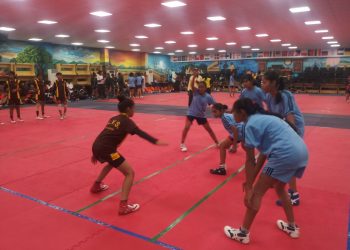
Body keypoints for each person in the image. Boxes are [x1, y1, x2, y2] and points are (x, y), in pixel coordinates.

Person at [224, 98, 308, 244]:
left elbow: (250, 160)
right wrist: (249, 180)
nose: (232, 114)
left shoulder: (249, 125)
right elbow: (262, 155)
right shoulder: (263, 118)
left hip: (284, 154)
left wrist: (250, 187)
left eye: (233, 112)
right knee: (280, 187)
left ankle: (243, 233)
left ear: (242, 113)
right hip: (301, 152)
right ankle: (292, 227)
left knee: (257, 193)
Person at [90, 95, 167, 215]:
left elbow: (105, 134)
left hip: (97, 145)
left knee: (111, 163)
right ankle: (123, 206)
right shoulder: (127, 121)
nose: (134, 110)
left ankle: (96, 186)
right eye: (133, 108)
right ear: (128, 109)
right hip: (107, 149)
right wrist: (155, 141)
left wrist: (96, 152)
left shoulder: (114, 118)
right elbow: (140, 133)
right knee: (129, 173)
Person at [262, 70, 305, 206]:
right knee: (277, 157)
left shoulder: (286, 95)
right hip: (282, 128)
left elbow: (290, 116)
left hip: (294, 128)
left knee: (287, 160)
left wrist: (293, 137)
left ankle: (294, 194)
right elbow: (272, 115)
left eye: (265, 82)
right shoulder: (269, 96)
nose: (262, 84)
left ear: (274, 83)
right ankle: (276, 181)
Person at [180, 80, 219, 152]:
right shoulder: (196, 92)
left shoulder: (208, 96)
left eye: (202, 87)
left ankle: (217, 143)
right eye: (199, 87)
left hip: (201, 115)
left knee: (209, 130)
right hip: (191, 113)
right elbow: (192, 85)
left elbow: (215, 104)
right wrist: (194, 76)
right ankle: (182, 143)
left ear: (205, 88)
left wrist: (221, 109)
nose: (200, 88)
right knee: (186, 127)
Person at [210, 103, 244, 175]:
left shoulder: (225, 118)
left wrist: (234, 146)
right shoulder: (226, 115)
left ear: (221, 111)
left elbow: (235, 130)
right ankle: (253, 161)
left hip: (240, 133)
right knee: (246, 147)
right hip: (244, 131)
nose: (213, 114)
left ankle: (222, 168)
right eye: (212, 112)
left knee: (222, 146)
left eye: (215, 111)